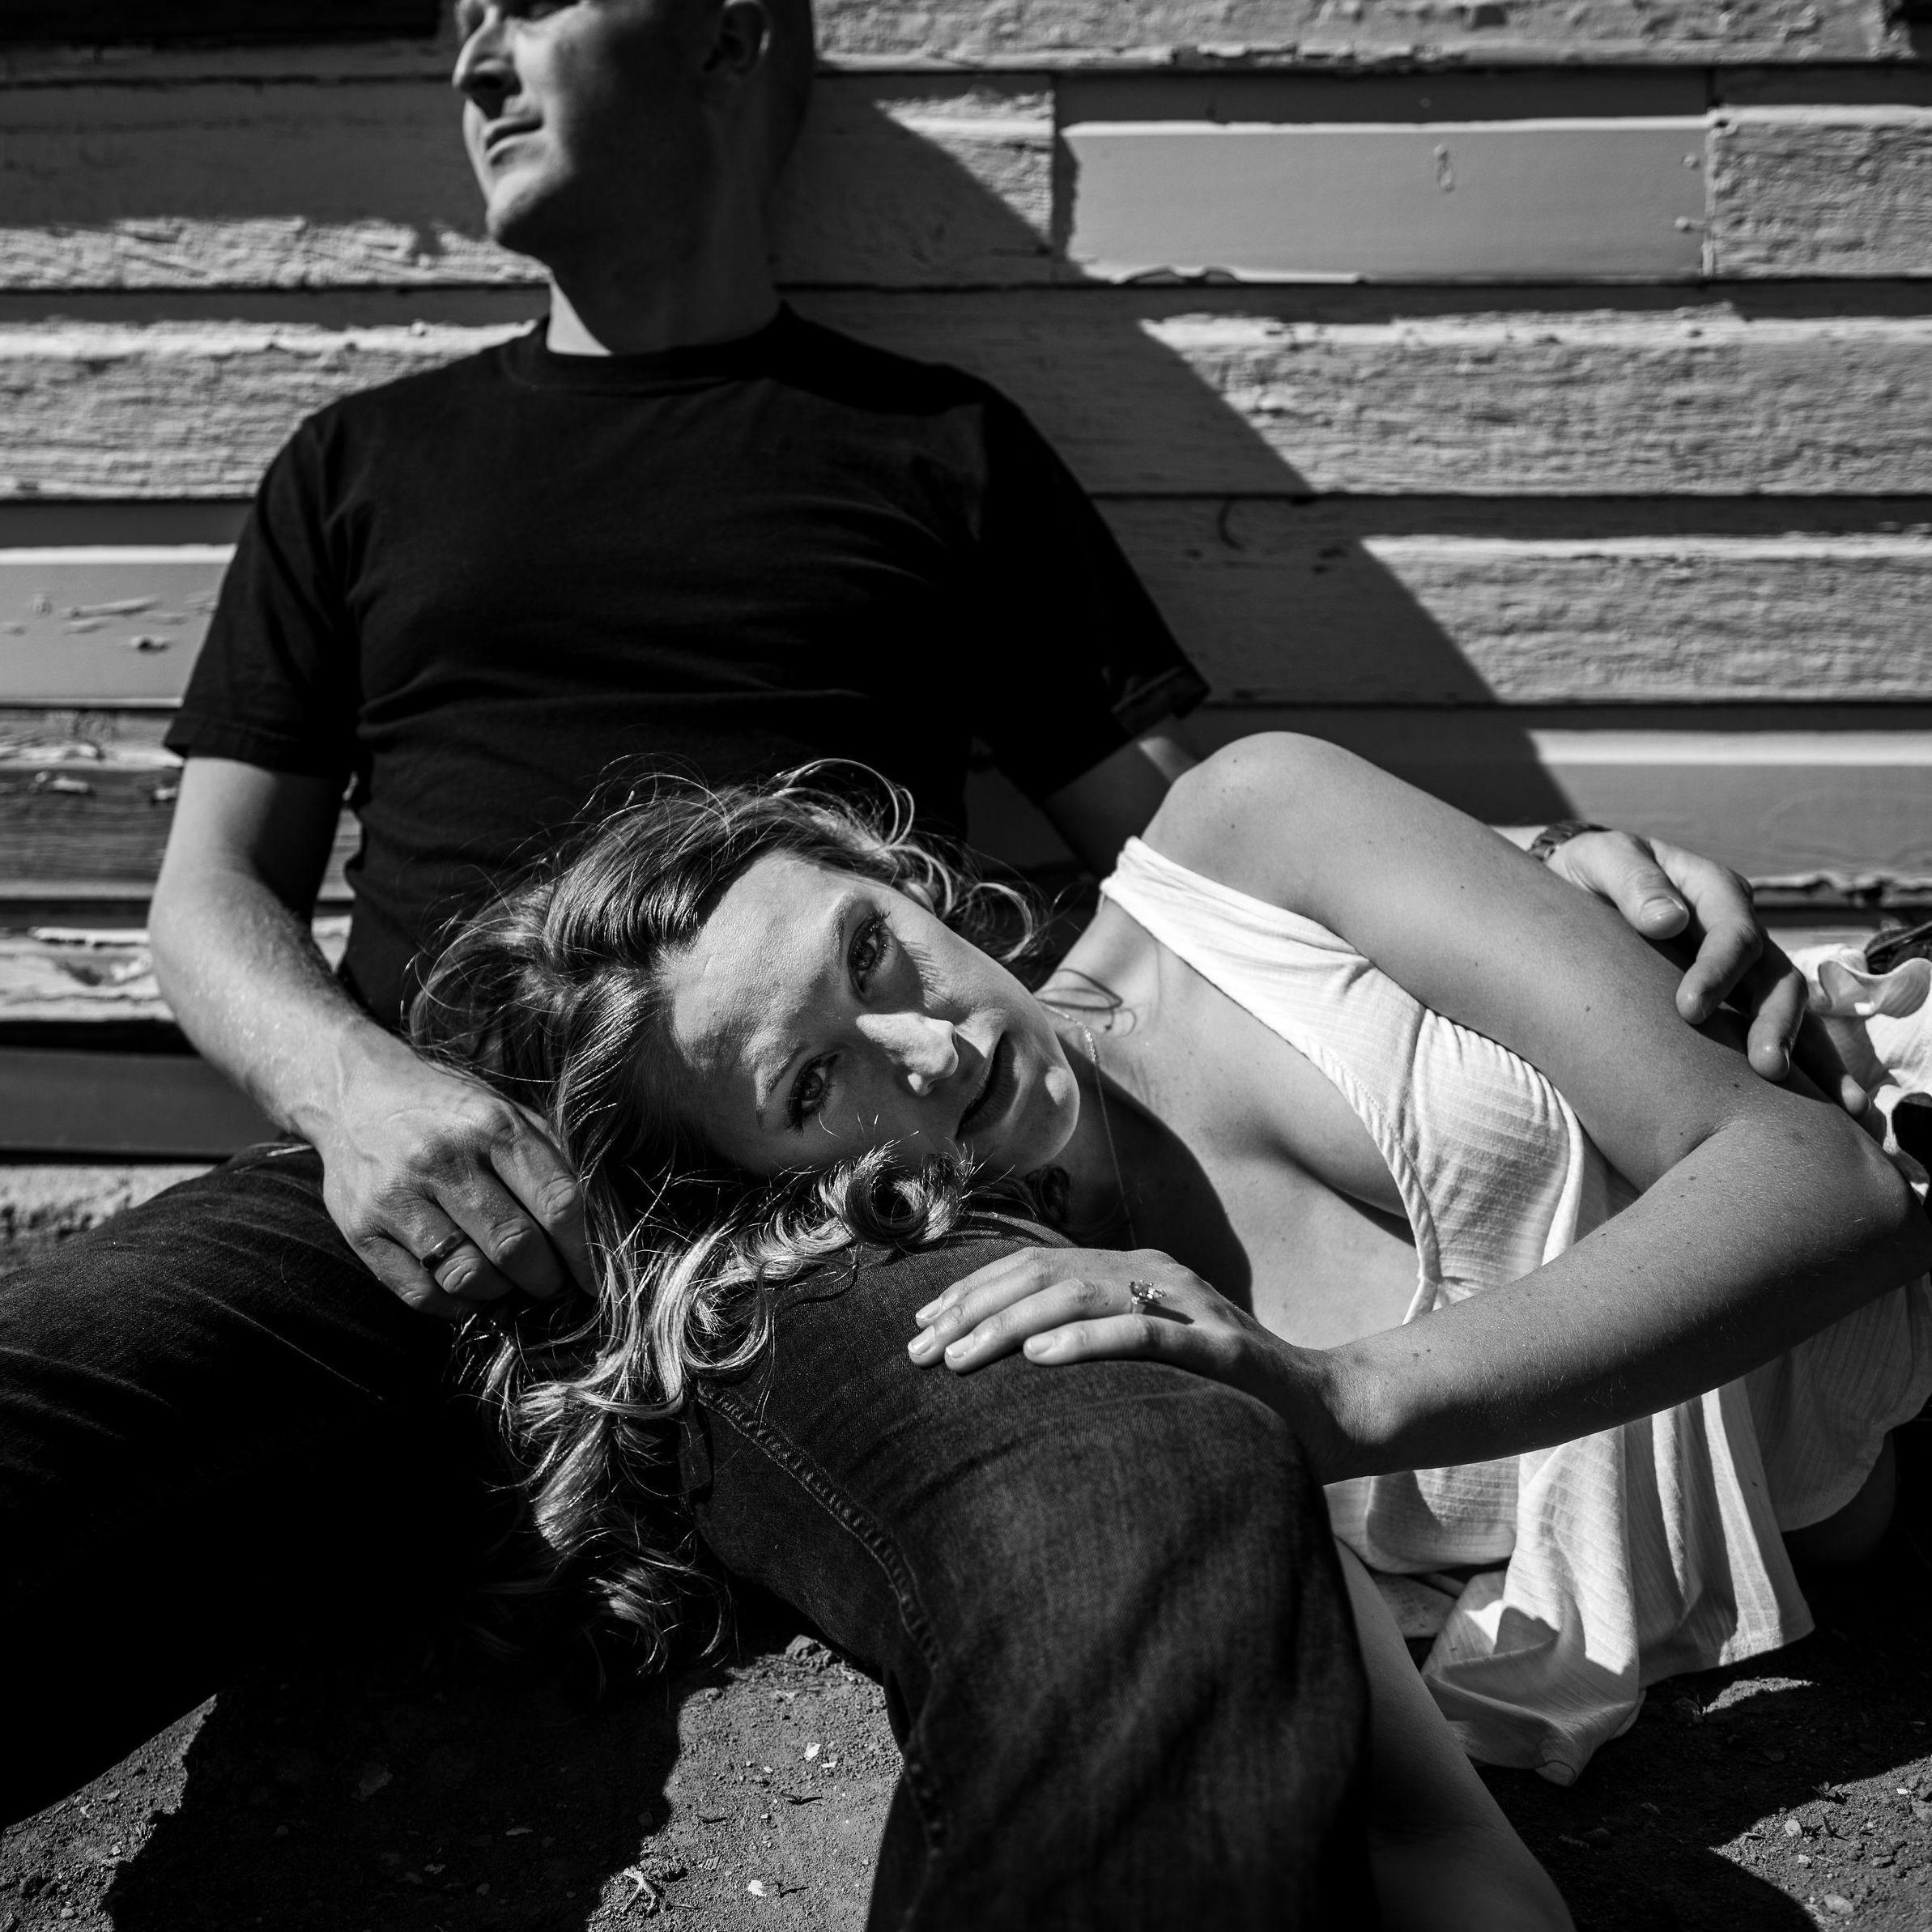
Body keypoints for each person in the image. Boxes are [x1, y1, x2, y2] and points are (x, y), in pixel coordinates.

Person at [0, 0, 1859, 1918]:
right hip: (409, 1160)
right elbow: (206, 894)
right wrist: (357, 1092)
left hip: (822, 1207)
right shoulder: (363, 461)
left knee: (1135, 1469)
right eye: (457, 13)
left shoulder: (929, 447)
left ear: (729, 40)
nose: (471, 43)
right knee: (45, 1397)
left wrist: (1547, 887)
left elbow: (1182, 841)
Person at [405, 747, 1929, 1845]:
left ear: (894, 876)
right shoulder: (1047, 1342)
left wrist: (1345, 1399)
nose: (928, 1049)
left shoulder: (1243, 846)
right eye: (812, 1084)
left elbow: (1824, 1179)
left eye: (871, 951)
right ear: (756, 1191)